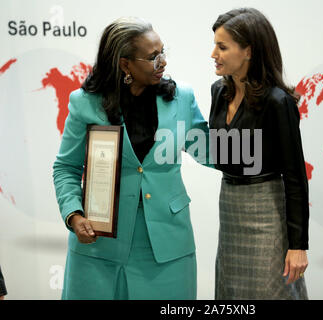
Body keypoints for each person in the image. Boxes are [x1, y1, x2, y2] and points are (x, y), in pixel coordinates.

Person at [53, 17, 210, 299]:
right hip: (99, 246)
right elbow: (66, 167)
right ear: (125, 64)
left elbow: (213, 152)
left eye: (163, 53)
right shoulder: (85, 102)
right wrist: (73, 215)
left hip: (167, 247)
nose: (162, 62)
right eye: (153, 57)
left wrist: (242, 104)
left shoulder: (181, 98)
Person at [209, 8, 309, 299]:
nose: (213, 53)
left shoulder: (278, 102)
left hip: (267, 212)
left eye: (222, 46)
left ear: (248, 51)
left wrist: (298, 245)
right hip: (229, 208)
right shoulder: (218, 91)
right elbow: (221, 153)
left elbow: (295, 177)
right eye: (215, 44)